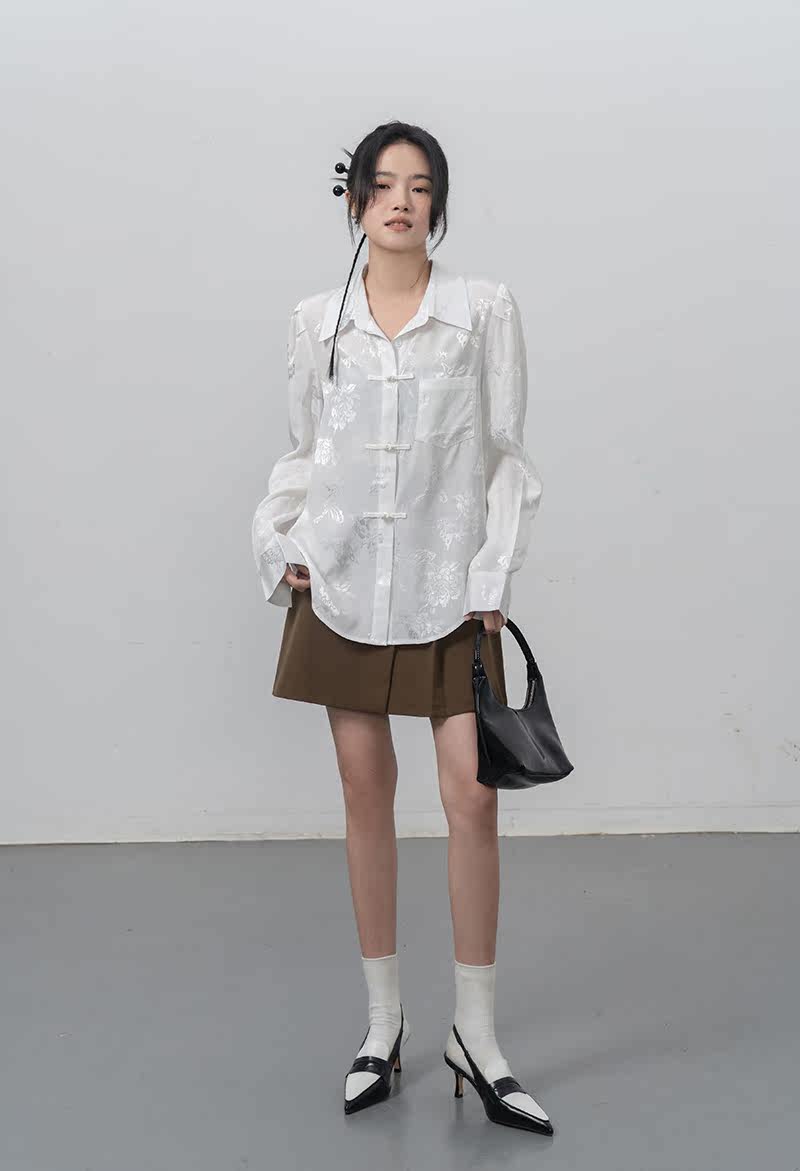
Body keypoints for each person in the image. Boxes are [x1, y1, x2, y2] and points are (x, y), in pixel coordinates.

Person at [251, 120, 552, 1135]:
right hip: (342, 582)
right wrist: (278, 540)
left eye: (420, 187)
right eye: (383, 185)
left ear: (439, 205)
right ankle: (382, 1024)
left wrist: (492, 571)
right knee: (362, 788)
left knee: (472, 794)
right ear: (354, 202)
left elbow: (505, 454)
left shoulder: (481, 312)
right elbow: (304, 452)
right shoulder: (316, 322)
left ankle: (476, 1034)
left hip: (447, 586)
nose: (401, 202)